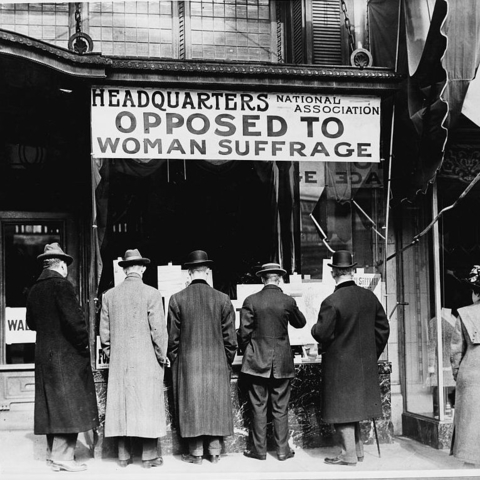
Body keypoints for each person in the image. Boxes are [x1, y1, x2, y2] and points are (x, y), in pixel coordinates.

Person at [311, 250, 389, 467]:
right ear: (353, 271)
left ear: (333, 273)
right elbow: (383, 329)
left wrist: (313, 329)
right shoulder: (369, 297)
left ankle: (348, 455)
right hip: (363, 365)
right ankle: (358, 452)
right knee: (355, 407)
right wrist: (371, 354)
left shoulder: (332, 301)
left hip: (339, 365)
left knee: (342, 409)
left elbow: (322, 333)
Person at [26, 243, 99, 473]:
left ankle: (52, 455)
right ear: (61, 266)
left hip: (44, 356)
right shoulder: (62, 286)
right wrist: (82, 347)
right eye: (66, 265)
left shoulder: (34, 289)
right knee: (69, 406)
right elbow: (76, 324)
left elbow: (30, 323)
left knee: (52, 406)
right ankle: (63, 458)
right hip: (66, 357)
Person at [100, 249, 169, 468]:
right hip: (146, 360)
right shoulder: (152, 294)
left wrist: (114, 355)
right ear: (142, 269)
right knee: (146, 405)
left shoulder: (109, 296)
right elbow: (159, 331)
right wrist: (161, 356)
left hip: (120, 361)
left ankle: (123, 456)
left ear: (125, 270)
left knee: (122, 406)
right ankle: (149, 457)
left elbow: (105, 335)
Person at [167, 250, 237, 465]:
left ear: (189, 273)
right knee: (215, 405)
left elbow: (173, 340)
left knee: (193, 405)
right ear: (207, 272)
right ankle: (215, 452)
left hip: (188, 364)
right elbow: (231, 340)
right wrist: (226, 359)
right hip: (216, 362)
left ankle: (196, 452)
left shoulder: (177, 299)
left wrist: (176, 361)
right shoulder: (223, 299)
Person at [239, 262, 306, 461]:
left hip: (256, 363)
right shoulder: (287, 301)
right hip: (282, 364)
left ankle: (259, 451)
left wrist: (249, 351)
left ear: (262, 279)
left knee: (258, 407)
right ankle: (283, 450)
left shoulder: (251, 300)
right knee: (280, 408)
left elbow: (243, 334)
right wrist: (289, 305)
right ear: (280, 279)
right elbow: (300, 323)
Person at [450, 265, 480, 467]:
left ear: (476, 293)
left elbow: (456, 350)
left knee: (470, 419)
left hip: (472, 371)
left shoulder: (464, 314)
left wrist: (456, 372)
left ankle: (470, 461)